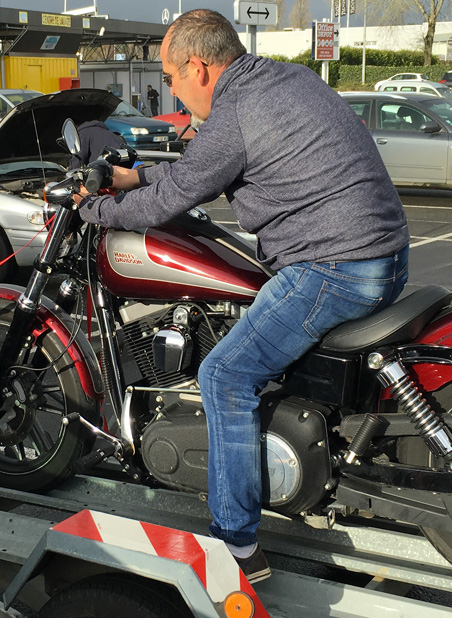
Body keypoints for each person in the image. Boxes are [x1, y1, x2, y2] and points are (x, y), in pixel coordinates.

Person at [77, 9, 409, 583]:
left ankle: (236, 545)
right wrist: (132, 177)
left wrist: (95, 208)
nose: (174, 92)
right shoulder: (286, 79)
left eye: (172, 78)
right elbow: (196, 172)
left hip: (335, 267)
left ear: (199, 68)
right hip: (384, 255)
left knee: (224, 375)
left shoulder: (234, 114)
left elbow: (170, 201)